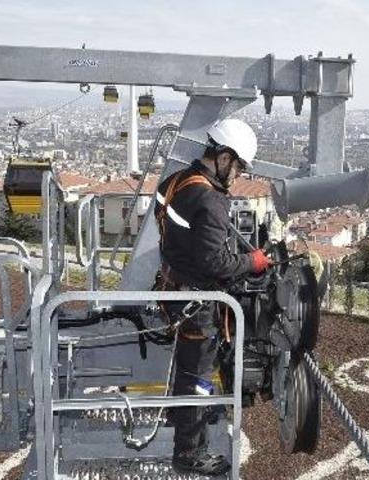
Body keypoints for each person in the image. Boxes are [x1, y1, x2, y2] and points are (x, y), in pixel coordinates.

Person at [154, 118, 272, 475]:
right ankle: (189, 452)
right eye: (237, 166)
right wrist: (252, 260)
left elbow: (177, 232)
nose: (237, 174)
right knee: (199, 377)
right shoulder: (209, 198)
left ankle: (180, 416)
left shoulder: (175, 181)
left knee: (188, 367)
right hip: (195, 300)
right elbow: (215, 262)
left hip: (173, 286)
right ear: (222, 157)